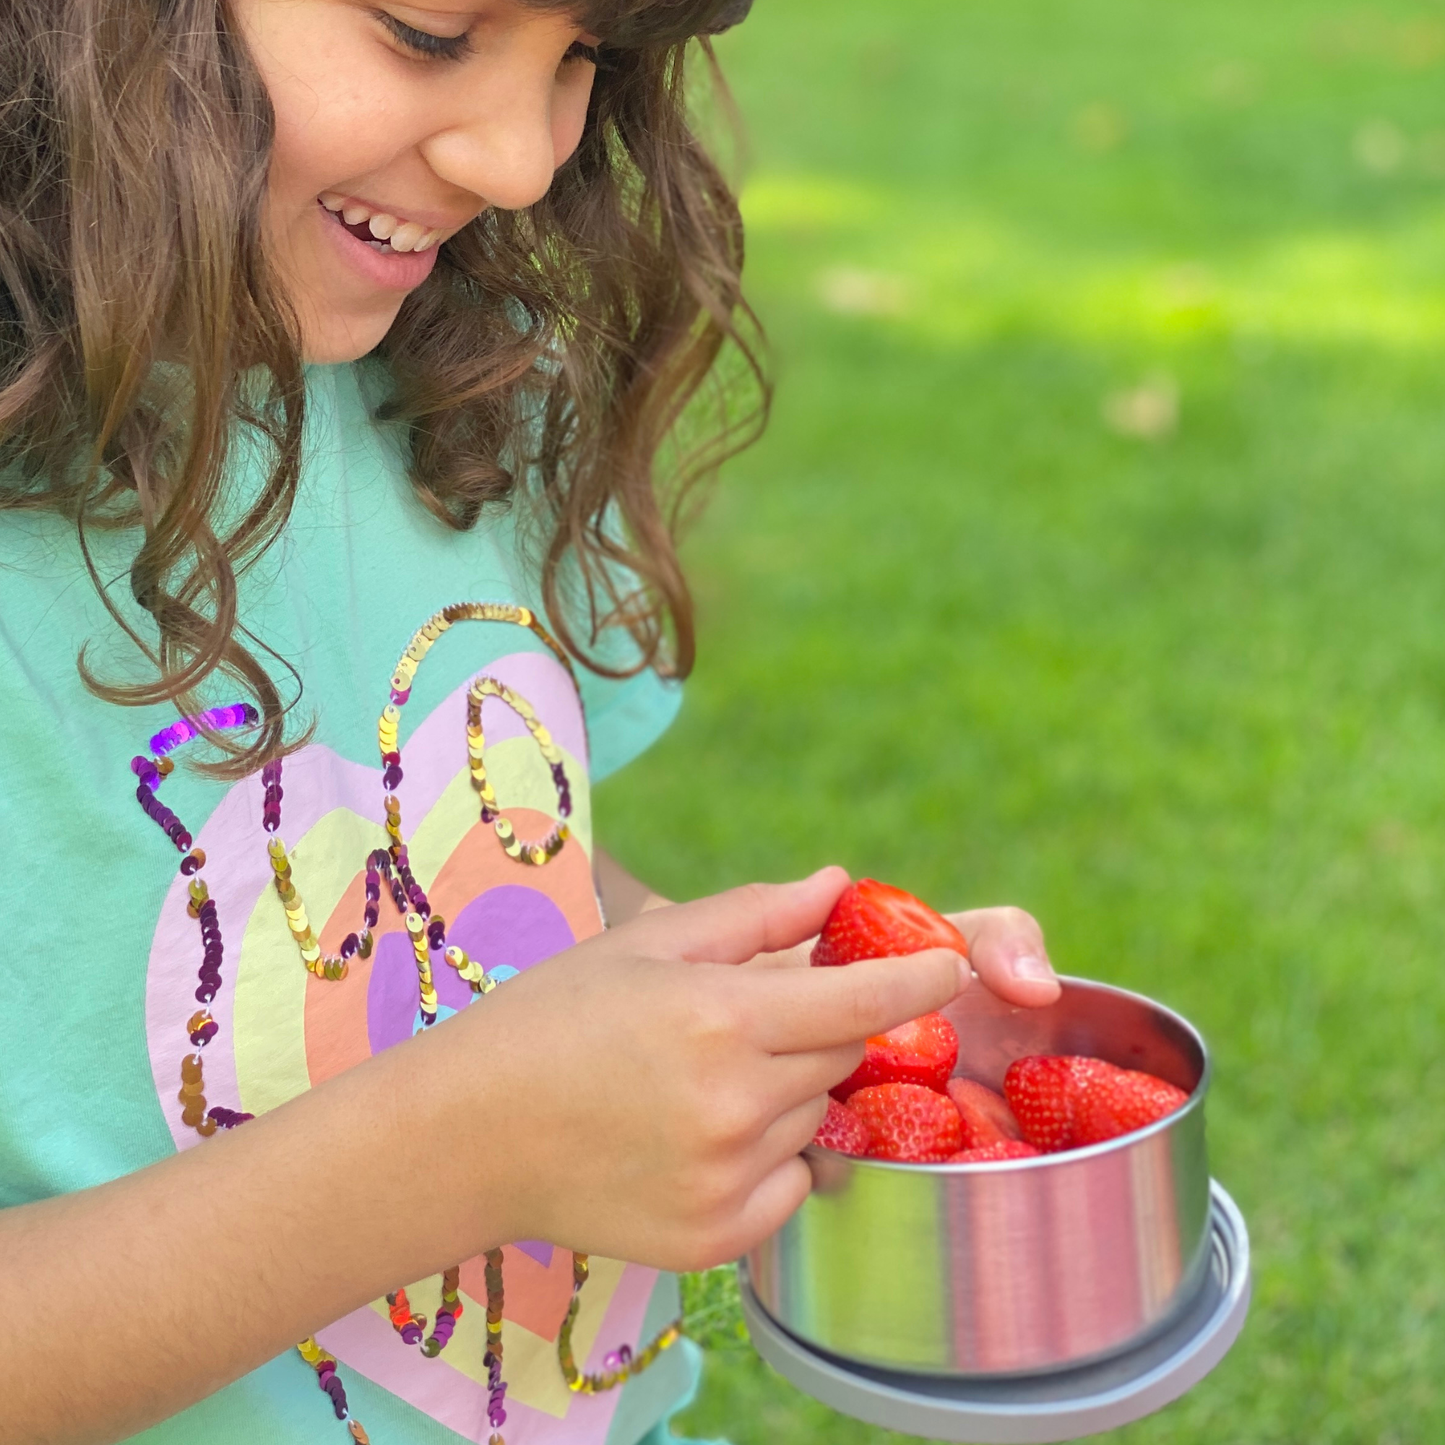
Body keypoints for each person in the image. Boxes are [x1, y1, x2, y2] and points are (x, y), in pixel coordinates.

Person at [0, 3, 1062, 1443]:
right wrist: (460, 1151)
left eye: (582, 62)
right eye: (429, 31)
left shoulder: (465, 376)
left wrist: (786, 1026)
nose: (518, 159)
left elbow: (494, 869)